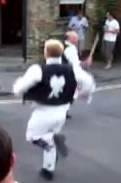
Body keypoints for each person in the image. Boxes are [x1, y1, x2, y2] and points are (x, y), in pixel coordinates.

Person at [13, 39, 95, 181]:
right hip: (62, 110)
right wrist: (79, 95)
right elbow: (89, 83)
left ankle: (53, 141)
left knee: (33, 137)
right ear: (61, 53)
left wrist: (21, 93)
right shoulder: (72, 69)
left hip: (44, 111)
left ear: (46, 53)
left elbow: (19, 88)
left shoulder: (38, 69)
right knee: (49, 139)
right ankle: (48, 170)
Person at [62, 30, 92, 120]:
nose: (77, 38)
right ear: (70, 38)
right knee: (72, 92)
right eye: (75, 37)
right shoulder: (70, 49)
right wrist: (86, 63)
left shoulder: (65, 46)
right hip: (69, 73)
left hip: (64, 72)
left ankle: (64, 110)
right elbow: (75, 64)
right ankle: (62, 111)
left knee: (69, 92)